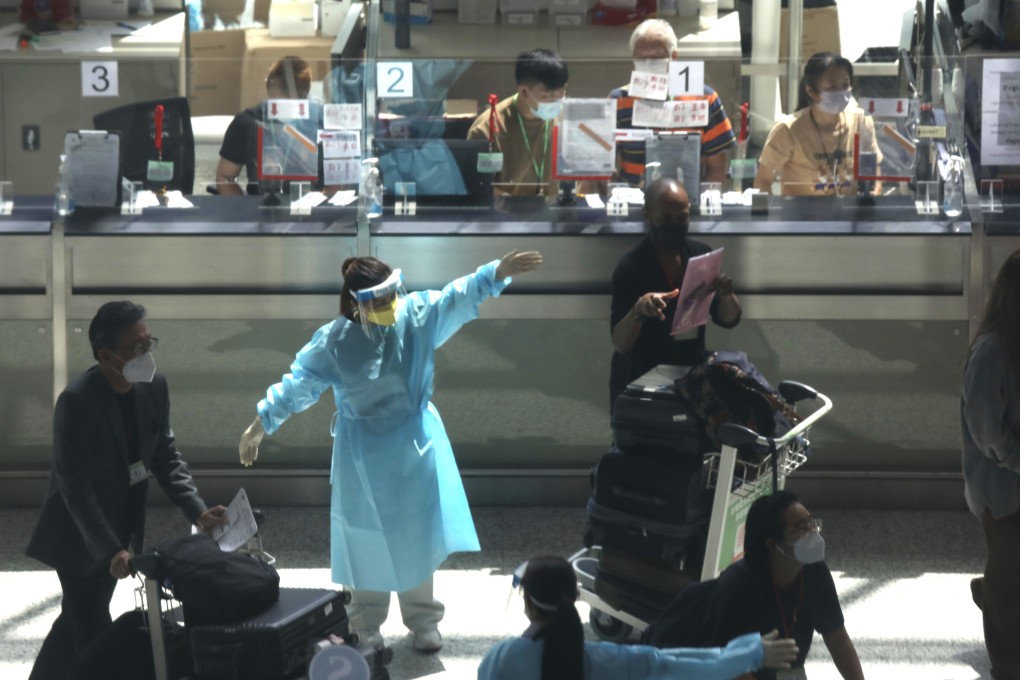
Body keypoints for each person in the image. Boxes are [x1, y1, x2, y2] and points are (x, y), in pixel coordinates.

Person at [237, 250, 544, 653]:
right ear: (356, 303)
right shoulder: (335, 341)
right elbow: (299, 384)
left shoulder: (415, 316)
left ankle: (423, 618)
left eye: (391, 296)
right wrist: (262, 422)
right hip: (361, 453)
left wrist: (495, 273)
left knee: (418, 531)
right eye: (378, 301)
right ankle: (365, 619)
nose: (389, 305)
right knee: (363, 535)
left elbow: (457, 296)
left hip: (413, 443)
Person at [25, 301, 226, 680]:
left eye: (149, 343)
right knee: (93, 630)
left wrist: (198, 511)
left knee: (77, 618)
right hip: (80, 535)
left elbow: (165, 456)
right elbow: (75, 488)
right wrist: (110, 548)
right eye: (137, 347)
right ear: (106, 355)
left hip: (123, 522)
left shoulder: (154, 386)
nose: (146, 354)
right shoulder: (76, 402)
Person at [477, 555, 799, 680]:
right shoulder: (607, 660)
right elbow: (676, 665)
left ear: (527, 603)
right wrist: (749, 652)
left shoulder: (499, 659)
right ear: (574, 597)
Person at [657, 491, 865, 680]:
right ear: (773, 545)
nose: (813, 533)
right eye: (802, 528)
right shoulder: (739, 588)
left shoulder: (814, 571)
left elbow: (837, 639)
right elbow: (733, 670)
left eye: (812, 523)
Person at [609, 177, 741, 405]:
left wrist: (727, 295)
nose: (674, 224)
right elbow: (621, 343)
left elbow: (729, 319)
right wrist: (638, 311)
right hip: (641, 380)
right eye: (665, 218)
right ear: (648, 215)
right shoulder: (632, 267)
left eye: (682, 217)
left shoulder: (701, 257)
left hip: (689, 377)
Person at [961, 247, 1020, 679]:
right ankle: (1006, 659)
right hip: (1002, 491)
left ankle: (990, 596)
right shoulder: (992, 352)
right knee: (1009, 575)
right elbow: (988, 436)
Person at [610, 19, 737, 187]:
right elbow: (603, 164)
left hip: (687, 199)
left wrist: (701, 199)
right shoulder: (619, 101)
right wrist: (618, 194)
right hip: (632, 199)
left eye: (656, 58)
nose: (648, 64)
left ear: (674, 57)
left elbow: (717, 167)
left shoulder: (704, 99)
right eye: (641, 58)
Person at [753, 52, 882, 197]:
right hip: (801, 211)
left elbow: (873, 170)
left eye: (845, 85)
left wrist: (873, 196)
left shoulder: (861, 120)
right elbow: (763, 181)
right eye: (832, 87)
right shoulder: (787, 129)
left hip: (848, 210)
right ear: (811, 91)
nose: (840, 92)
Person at [467, 49, 568, 197]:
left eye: (561, 95)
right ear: (524, 91)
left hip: (554, 208)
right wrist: (514, 206)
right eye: (548, 97)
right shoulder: (488, 128)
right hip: (507, 209)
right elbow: (478, 186)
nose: (556, 104)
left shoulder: (564, 119)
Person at [216, 56, 322, 196]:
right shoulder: (247, 122)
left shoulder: (320, 122)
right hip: (262, 205)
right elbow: (225, 178)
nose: (282, 108)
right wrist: (246, 208)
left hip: (309, 204)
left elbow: (225, 177)